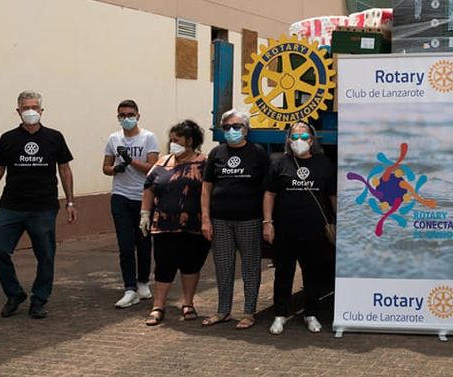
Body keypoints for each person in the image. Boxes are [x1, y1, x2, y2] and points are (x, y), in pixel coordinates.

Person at [0, 90, 76, 319]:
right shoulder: (8, 139)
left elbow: (64, 169)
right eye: (25, 108)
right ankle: (14, 294)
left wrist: (70, 201)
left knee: (46, 255)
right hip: (12, 206)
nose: (30, 112)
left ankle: (39, 299)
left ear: (41, 111)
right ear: (18, 111)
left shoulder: (54, 137)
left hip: (43, 207)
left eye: (34, 108)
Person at [263, 121, 336, 335]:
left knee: (312, 273)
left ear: (312, 141)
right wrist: (268, 222)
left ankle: (310, 314)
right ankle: (280, 314)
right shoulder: (279, 163)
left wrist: (338, 221)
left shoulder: (323, 163)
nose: (299, 141)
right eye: (294, 137)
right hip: (286, 229)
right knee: (283, 273)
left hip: (315, 230)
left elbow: (332, 195)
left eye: (304, 137)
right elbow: (269, 194)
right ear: (288, 141)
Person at [200, 110, 269, 329]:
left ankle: (249, 312)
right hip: (220, 220)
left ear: (246, 129)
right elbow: (206, 187)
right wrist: (205, 219)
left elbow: (268, 189)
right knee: (223, 266)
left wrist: (267, 220)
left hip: (249, 219)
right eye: (227, 127)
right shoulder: (216, 153)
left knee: (250, 267)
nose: (232, 131)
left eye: (237, 126)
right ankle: (223, 311)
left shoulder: (257, 153)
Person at [140, 119, 209, 326]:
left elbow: (209, 190)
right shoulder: (162, 162)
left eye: (176, 140)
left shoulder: (204, 162)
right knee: (163, 265)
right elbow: (149, 187)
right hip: (163, 226)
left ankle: (188, 304)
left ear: (190, 140)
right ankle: (158, 306)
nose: (172, 144)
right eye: (170, 140)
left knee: (191, 265)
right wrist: (145, 213)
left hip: (193, 226)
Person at [102, 99, 159, 308]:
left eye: (130, 115)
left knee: (143, 243)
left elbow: (153, 168)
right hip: (120, 196)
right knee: (125, 244)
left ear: (138, 116)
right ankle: (129, 288)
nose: (126, 119)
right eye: (122, 115)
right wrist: (115, 169)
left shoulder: (148, 138)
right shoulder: (113, 138)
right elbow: (106, 167)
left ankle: (143, 281)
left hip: (143, 197)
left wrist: (130, 160)